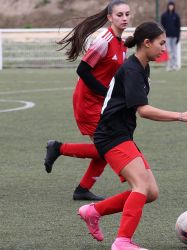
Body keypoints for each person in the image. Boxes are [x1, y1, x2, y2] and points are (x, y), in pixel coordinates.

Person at [77, 22, 187, 250]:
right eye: (161, 43)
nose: (164, 49)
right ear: (146, 43)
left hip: (121, 134)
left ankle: (93, 211)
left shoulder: (143, 67)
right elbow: (143, 110)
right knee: (141, 185)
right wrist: (180, 115)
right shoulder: (132, 69)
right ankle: (122, 242)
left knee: (150, 192)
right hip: (112, 136)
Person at [44, 0, 131, 201]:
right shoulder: (104, 41)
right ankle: (58, 148)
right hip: (87, 101)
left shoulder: (122, 43)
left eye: (127, 14)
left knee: (104, 148)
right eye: (119, 15)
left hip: (100, 102)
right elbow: (82, 70)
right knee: (107, 147)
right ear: (110, 17)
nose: (124, 18)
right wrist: (106, 93)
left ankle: (83, 189)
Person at [161, 1, 181, 71]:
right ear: (168, 6)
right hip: (168, 36)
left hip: (174, 36)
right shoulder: (164, 15)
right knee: (169, 51)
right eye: (170, 5)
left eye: (172, 6)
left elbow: (178, 27)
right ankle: (169, 65)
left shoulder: (176, 16)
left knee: (174, 51)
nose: (171, 7)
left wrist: (178, 36)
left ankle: (175, 65)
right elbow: (162, 26)